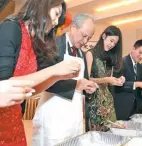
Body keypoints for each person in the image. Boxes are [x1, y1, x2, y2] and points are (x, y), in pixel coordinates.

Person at [0, 0, 81, 145]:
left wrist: (57, 76)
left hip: (15, 118)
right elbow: (5, 86)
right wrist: (55, 69)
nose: (56, 22)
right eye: (56, 14)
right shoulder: (11, 28)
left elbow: (32, 90)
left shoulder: (34, 42)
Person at [32, 13, 98, 146]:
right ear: (73, 27)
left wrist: (88, 87)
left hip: (74, 117)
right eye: (84, 35)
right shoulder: (53, 44)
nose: (85, 41)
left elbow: (83, 81)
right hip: (53, 116)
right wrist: (76, 85)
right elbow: (41, 78)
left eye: (89, 38)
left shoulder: (82, 53)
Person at [86, 25, 125, 131]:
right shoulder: (90, 54)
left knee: (110, 134)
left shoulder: (110, 57)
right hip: (95, 102)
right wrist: (107, 80)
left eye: (114, 43)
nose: (112, 45)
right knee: (97, 135)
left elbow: (109, 81)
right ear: (103, 36)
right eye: (111, 40)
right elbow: (87, 80)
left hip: (108, 101)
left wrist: (117, 81)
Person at [113, 39, 142, 120]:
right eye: (140, 52)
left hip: (136, 109)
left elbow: (137, 91)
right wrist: (137, 84)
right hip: (122, 108)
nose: (141, 56)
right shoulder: (121, 62)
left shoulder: (140, 67)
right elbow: (116, 86)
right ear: (133, 48)